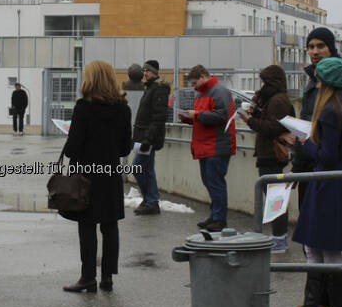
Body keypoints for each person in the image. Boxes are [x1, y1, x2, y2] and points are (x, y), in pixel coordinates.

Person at [61, 60, 132, 293]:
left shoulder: (84, 107)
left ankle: (88, 277)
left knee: (87, 225)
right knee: (110, 226)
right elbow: (124, 148)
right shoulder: (123, 108)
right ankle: (108, 278)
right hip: (110, 175)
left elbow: (72, 148)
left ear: (89, 79)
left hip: (86, 176)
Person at [282, 57, 342, 307]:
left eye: (319, 80)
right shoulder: (335, 107)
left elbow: (328, 156)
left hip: (328, 185)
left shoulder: (330, 110)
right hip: (330, 185)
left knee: (321, 248)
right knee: (321, 247)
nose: (316, 85)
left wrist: (305, 144)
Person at [238, 65, 295, 252]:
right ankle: (278, 236)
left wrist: (250, 120)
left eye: (264, 82)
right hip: (267, 152)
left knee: (275, 197)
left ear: (272, 82)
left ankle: (280, 239)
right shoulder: (273, 99)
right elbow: (271, 120)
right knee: (273, 196)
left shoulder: (278, 100)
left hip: (272, 153)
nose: (262, 85)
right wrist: (256, 110)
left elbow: (273, 127)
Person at [179, 65, 236, 232]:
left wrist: (196, 115)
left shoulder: (219, 92)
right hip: (205, 145)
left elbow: (222, 116)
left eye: (195, 82)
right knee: (209, 181)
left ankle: (219, 218)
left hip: (217, 145)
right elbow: (205, 117)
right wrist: (188, 119)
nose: (194, 86)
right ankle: (215, 215)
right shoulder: (201, 93)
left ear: (204, 76)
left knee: (215, 182)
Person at [293, 28, 340, 208]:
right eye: (310, 47)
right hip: (309, 164)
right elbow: (306, 122)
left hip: (327, 168)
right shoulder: (312, 82)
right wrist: (298, 166)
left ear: (331, 48)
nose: (314, 51)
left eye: (320, 46)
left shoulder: (335, 84)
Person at [131, 59, 170, 215]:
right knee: (147, 169)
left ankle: (151, 200)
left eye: (146, 70)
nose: (144, 73)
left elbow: (158, 117)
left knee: (138, 168)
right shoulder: (151, 88)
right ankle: (150, 200)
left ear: (154, 71)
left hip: (148, 138)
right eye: (144, 70)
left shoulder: (159, 89)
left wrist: (148, 140)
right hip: (143, 137)